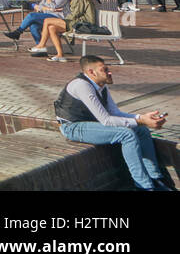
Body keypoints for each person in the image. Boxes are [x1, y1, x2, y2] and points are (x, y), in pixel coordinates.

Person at [55, 55, 172, 191]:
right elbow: (106, 120)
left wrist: (142, 118)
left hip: (91, 124)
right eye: (104, 69)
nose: (109, 72)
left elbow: (115, 113)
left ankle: (156, 179)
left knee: (142, 130)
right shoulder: (81, 85)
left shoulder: (101, 85)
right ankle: (143, 186)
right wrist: (140, 121)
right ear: (91, 72)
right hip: (72, 127)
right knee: (126, 134)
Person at [33, 0, 97, 62]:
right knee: (52, 27)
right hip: (76, 22)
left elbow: (75, 14)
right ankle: (60, 55)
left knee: (47, 20)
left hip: (82, 24)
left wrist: (63, 20)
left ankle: (41, 45)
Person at [5, 0, 69, 49]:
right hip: (47, 16)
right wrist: (49, 8)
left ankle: (18, 32)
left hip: (58, 18)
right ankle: (40, 47)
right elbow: (40, 6)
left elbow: (54, 6)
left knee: (31, 15)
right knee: (33, 26)